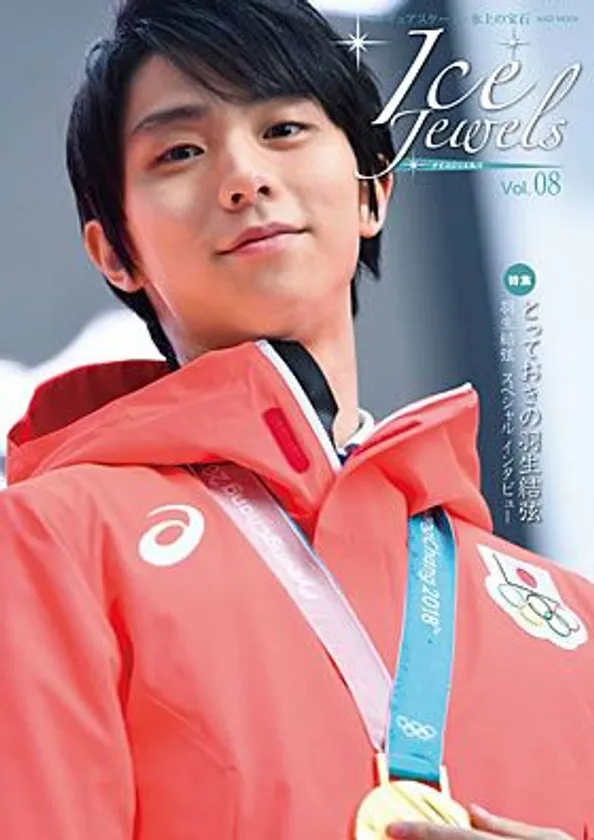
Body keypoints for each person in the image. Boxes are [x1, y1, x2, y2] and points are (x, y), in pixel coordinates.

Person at [0, 1, 592, 838]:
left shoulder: (571, 617)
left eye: (283, 129)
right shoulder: (52, 543)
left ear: (373, 191)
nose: (243, 177)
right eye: (179, 152)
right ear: (116, 253)